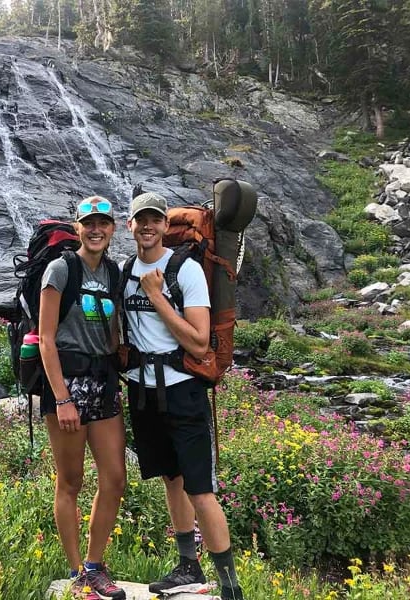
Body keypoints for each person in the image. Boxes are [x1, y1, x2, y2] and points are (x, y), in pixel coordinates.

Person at [121, 192, 245, 600]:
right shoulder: (124, 271)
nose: (148, 226)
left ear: (164, 226)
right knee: (171, 479)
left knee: (200, 488)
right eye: (141, 219)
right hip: (143, 392)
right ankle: (188, 566)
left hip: (183, 390)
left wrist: (156, 295)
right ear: (131, 225)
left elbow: (197, 342)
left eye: (155, 219)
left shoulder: (185, 269)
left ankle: (230, 587)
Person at [38, 196, 127, 600]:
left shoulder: (113, 272)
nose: (96, 230)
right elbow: (46, 338)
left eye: (103, 223)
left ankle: (95, 565)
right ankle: (76, 574)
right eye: (89, 223)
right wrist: (61, 398)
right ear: (78, 228)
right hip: (67, 385)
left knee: (114, 478)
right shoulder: (61, 269)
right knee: (70, 481)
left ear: (112, 228)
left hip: (103, 382)